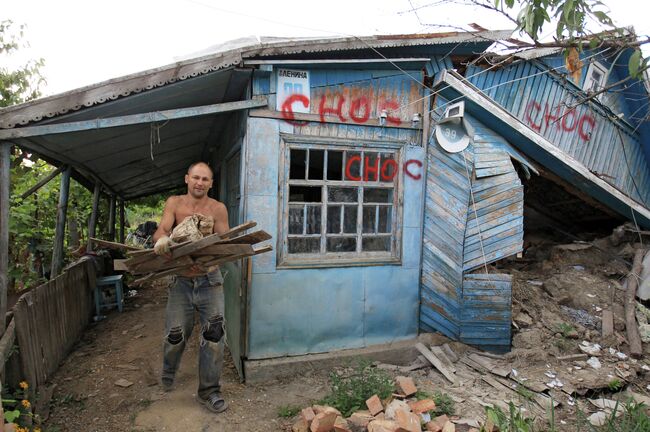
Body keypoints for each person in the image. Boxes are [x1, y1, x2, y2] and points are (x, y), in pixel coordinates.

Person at [152, 161, 230, 413]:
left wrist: (209, 260)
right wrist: (163, 239)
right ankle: (168, 370)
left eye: (205, 179)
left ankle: (209, 391)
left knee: (214, 337)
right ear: (187, 179)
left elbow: (225, 244)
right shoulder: (174, 203)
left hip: (210, 280)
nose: (200, 183)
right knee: (175, 335)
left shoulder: (218, 209)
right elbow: (162, 229)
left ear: (211, 183)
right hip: (181, 280)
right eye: (196, 177)